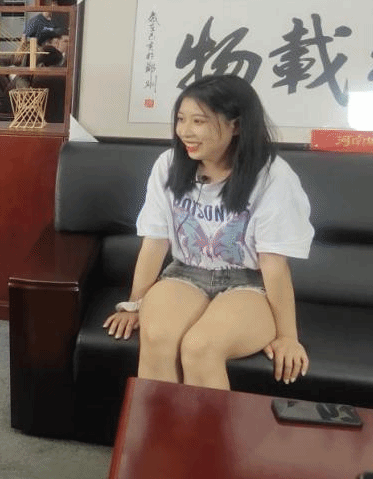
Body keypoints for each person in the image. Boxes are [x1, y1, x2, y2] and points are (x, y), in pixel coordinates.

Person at [102, 74, 314, 389]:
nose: (185, 131)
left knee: (200, 347)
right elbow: (155, 242)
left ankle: (206, 426)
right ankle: (159, 424)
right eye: (181, 119)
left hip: (248, 285)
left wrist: (287, 337)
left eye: (198, 121)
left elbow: (274, 264)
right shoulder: (168, 165)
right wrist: (135, 304)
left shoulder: (273, 177)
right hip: (183, 274)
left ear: (236, 125)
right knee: (157, 337)